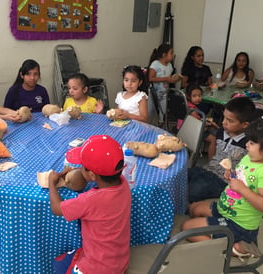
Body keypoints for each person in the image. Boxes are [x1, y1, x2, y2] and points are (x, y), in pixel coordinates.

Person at [181, 109, 263, 257]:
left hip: (238, 225)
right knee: (193, 208)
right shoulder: (251, 158)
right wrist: (231, 176)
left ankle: (232, 248)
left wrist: (243, 189)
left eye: (251, 142)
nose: (247, 144)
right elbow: (243, 178)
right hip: (226, 208)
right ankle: (215, 233)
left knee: (187, 228)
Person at [48, 135, 131, 274]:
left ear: (92, 176)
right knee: (60, 262)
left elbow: (57, 209)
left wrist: (52, 182)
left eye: (82, 166)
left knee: (57, 264)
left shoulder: (90, 200)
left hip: (97, 268)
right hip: (119, 261)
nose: (80, 168)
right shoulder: (123, 184)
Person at [187, 96, 256, 203]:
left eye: (230, 121)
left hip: (223, 181)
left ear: (245, 124)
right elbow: (214, 148)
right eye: (224, 118)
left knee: (192, 191)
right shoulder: (221, 132)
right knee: (182, 175)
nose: (224, 123)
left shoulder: (249, 143)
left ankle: (185, 210)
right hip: (207, 170)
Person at [177, 83, 219, 155]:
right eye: (194, 96)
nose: (198, 98)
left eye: (199, 96)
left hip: (182, 128)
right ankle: (211, 162)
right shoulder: (192, 110)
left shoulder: (186, 104)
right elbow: (199, 126)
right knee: (213, 139)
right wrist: (211, 124)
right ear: (188, 96)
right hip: (190, 131)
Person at [147, 44, 181, 126]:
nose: (173, 55)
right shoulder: (155, 64)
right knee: (151, 113)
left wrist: (175, 79)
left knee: (163, 114)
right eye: (171, 53)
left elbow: (169, 79)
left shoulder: (169, 65)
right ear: (164, 55)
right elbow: (151, 78)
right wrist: (166, 79)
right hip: (153, 93)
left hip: (164, 94)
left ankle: (160, 128)